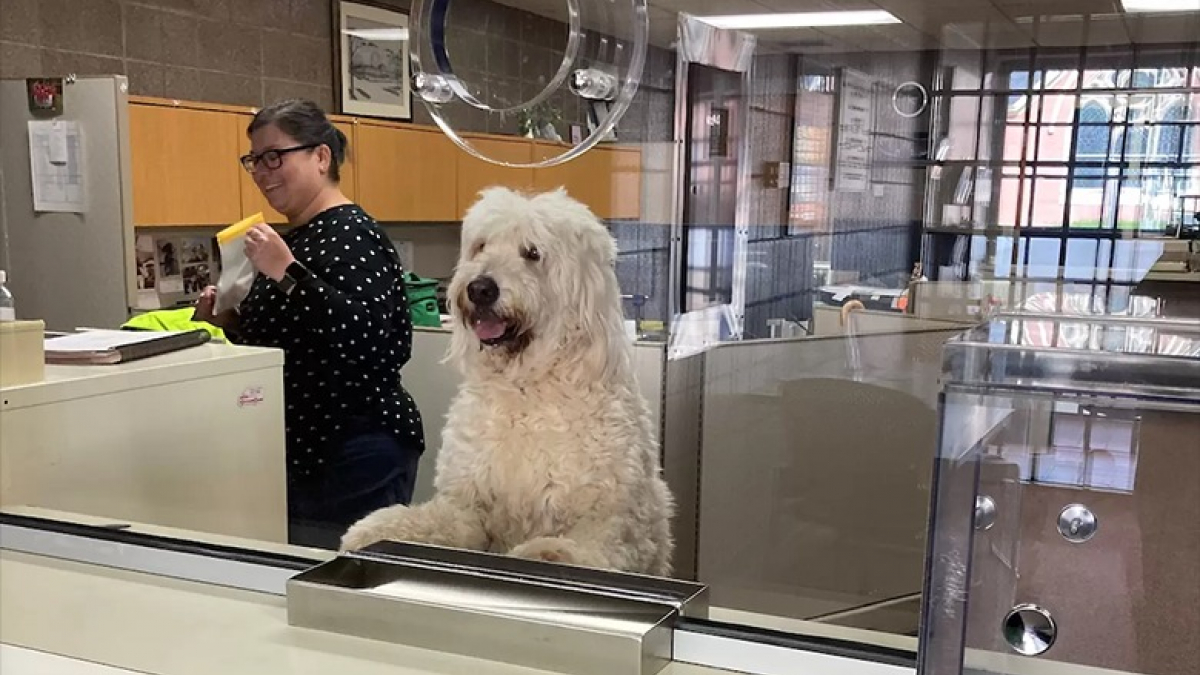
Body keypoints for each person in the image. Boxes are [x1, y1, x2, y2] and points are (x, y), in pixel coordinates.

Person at [194, 99, 424, 549]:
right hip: (304, 452)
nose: (262, 171)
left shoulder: (352, 232)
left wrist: (288, 272)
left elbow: (373, 341)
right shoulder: (294, 238)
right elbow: (296, 340)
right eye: (255, 160)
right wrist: (227, 321)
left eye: (275, 156)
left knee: (348, 588)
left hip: (356, 449)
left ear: (321, 157)